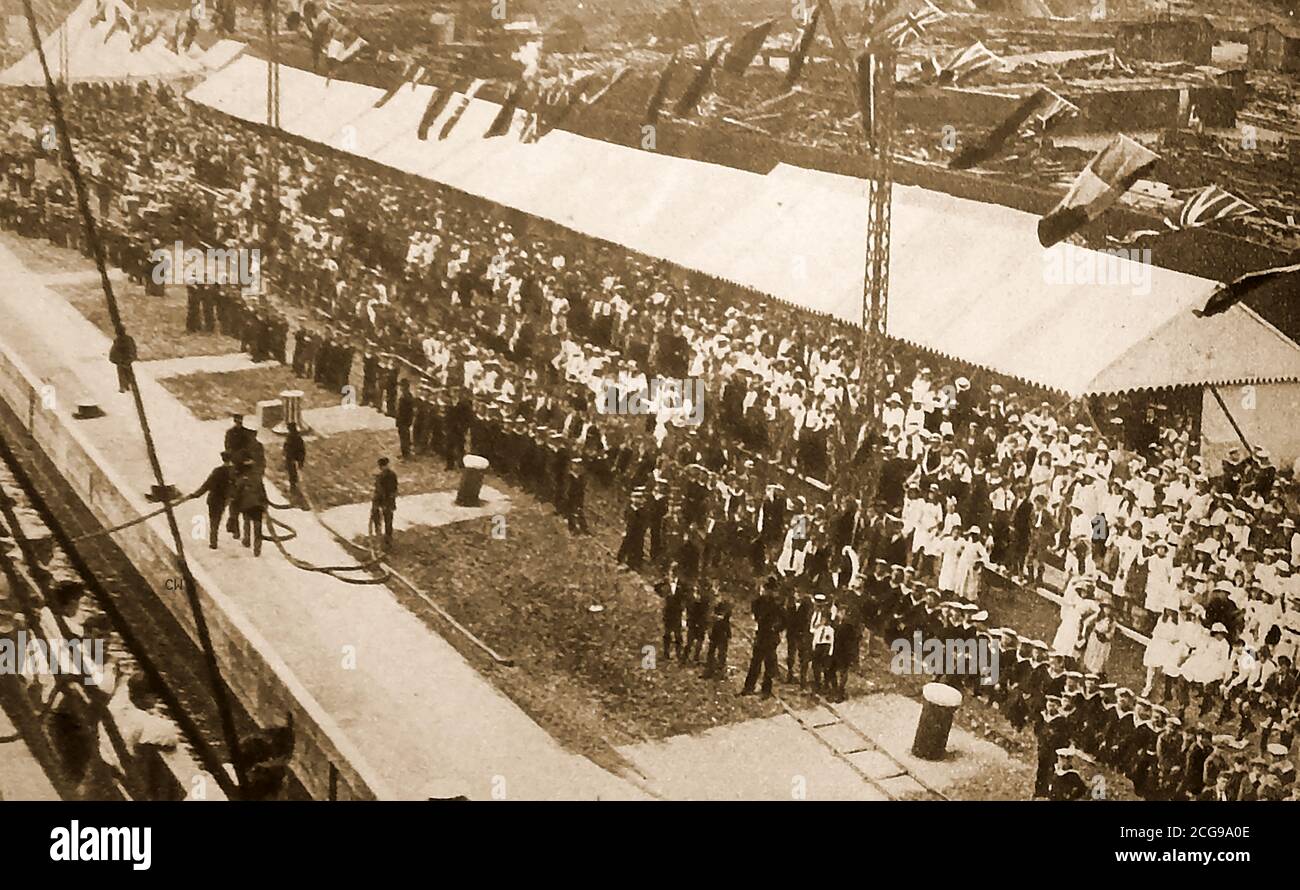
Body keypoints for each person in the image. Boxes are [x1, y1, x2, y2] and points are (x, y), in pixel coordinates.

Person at [742, 579, 783, 698]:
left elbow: (785, 620)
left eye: (770, 590)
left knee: (769, 664)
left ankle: (766, 690)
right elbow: (754, 612)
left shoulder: (777, 604)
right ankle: (749, 687)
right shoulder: (758, 602)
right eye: (766, 589)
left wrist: (776, 628)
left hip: (771, 637)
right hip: (761, 635)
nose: (767, 592)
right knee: (755, 662)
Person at [192, 451, 236, 549]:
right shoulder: (234, 472)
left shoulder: (217, 471)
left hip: (214, 499)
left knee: (214, 521)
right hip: (224, 499)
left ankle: (213, 542)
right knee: (219, 518)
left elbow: (207, 484)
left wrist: (196, 494)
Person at [234, 459, 268, 557]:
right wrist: (265, 504)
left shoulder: (242, 479)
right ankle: (257, 548)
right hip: (258, 505)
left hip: (246, 505)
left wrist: (236, 503)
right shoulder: (258, 478)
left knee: (247, 522)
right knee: (258, 527)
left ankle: (247, 539)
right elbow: (262, 491)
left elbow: (237, 492)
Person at [371, 457, 398, 549]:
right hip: (381, 501)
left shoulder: (389, 476)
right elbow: (379, 490)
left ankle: (387, 539)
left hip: (386, 501)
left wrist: (388, 501)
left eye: (384, 466)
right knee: (380, 519)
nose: (384, 468)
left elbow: (392, 490)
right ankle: (381, 537)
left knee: (387, 520)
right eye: (383, 466)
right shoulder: (382, 476)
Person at [702, 598, 731, 680]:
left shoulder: (727, 606)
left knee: (721, 653)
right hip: (716, 632)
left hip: (722, 632)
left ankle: (719, 671)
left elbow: (724, 619)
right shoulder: (715, 605)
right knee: (712, 651)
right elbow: (710, 617)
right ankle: (710, 670)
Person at [283, 421, 306, 494]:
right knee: (293, 471)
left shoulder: (291, 437)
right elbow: (302, 449)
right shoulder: (297, 437)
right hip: (294, 457)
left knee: (292, 471)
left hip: (291, 457)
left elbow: (288, 448)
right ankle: (294, 483)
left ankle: (293, 484)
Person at [396, 379, 415, 459]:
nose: (400, 387)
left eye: (401, 386)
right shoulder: (407, 395)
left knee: (404, 438)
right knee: (404, 437)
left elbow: (406, 411)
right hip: (404, 421)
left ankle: (406, 454)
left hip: (403, 421)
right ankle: (405, 453)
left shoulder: (406, 397)